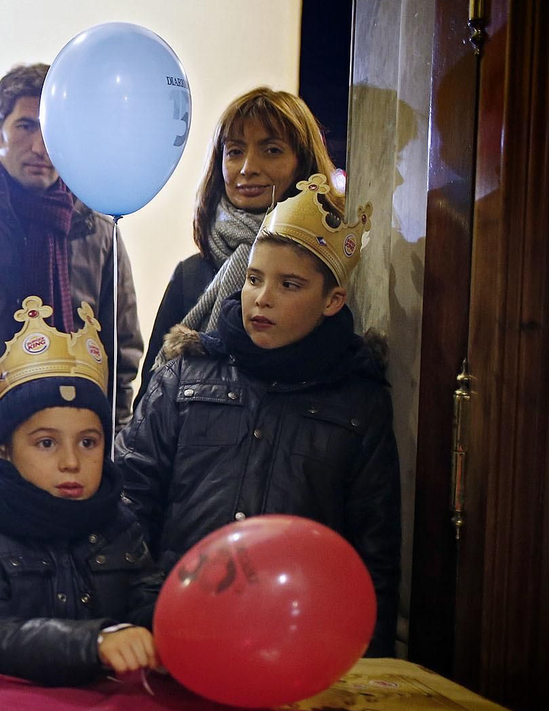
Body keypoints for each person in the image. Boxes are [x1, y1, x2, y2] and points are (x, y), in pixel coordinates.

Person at [116, 176, 398, 655]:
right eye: (253, 278)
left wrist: (365, 658)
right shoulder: (184, 377)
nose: (261, 298)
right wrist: (144, 613)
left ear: (332, 300)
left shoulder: (358, 402)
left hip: (297, 641)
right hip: (174, 628)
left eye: (289, 285)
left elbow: (374, 551)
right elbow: (129, 505)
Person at [0, 63, 142, 488]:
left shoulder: (98, 234)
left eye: (53, 130)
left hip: (64, 465)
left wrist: (106, 449)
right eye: (26, 127)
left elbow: (119, 356)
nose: (40, 147)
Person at [0, 296, 162, 685]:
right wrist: (92, 643)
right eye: (47, 443)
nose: (71, 462)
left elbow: (146, 601)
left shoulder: (119, 524)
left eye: (88, 442)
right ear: (4, 449)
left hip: (91, 707)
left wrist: (176, 624)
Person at [140, 87, 337, 379]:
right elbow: (149, 399)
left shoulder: (331, 267)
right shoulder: (191, 275)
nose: (247, 168)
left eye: (271, 150)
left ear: (303, 162)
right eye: (235, 152)